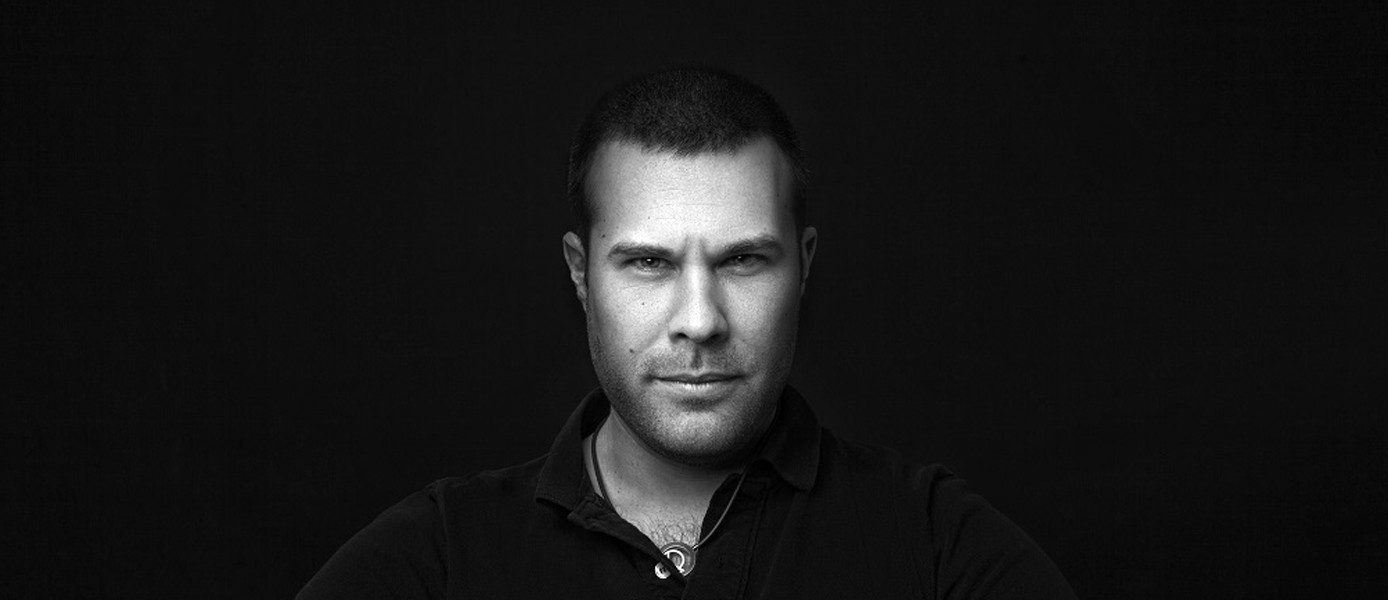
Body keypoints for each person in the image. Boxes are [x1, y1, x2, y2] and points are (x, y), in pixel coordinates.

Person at [298, 67, 1078, 599]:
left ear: (803, 267)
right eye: (648, 263)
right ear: (580, 274)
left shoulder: (935, 543)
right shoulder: (443, 556)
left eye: (743, 259)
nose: (700, 319)